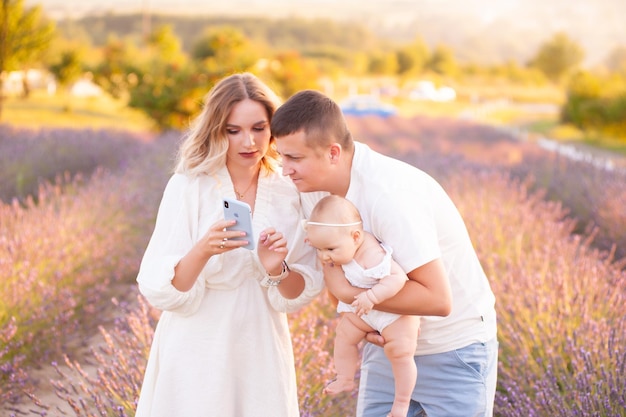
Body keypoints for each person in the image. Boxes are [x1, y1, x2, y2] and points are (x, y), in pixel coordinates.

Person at [271, 89, 498, 417]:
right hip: (385, 344)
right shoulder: (312, 193)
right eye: (282, 157)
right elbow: (331, 280)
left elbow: (437, 300)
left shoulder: (390, 195)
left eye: (294, 158)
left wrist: (349, 293)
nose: (285, 170)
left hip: (452, 350)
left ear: (333, 153)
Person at [135, 73, 323, 417]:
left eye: (259, 128)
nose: (248, 142)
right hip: (195, 342)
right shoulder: (189, 186)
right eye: (233, 130)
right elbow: (164, 291)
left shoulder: (290, 190)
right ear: (215, 130)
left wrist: (275, 268)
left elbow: (296, 293)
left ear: (274, 129)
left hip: (259, 344)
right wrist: (203, 249)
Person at [304, 195, 420, 417]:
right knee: (344, 335)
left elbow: (397, 279)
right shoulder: (342, 242)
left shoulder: (373, 255)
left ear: (356, 237)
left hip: (393, 314)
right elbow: (326, 240)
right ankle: (345, 378)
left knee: (400, 352)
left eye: (329, 249)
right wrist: (321, 243)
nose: (324, 257)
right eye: (319, 250)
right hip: (364, 310)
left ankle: (401, 403)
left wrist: (373, 296)